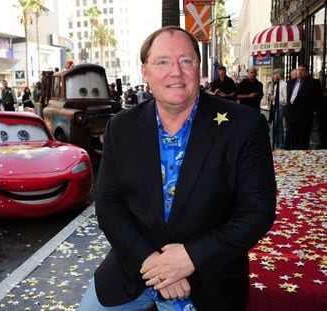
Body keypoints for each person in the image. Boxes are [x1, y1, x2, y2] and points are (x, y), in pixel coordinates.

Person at [78, 26, 276, 311]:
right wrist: (153, 265)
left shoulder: (244, 126)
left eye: (186, 61)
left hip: (208, 274)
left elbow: (258, 211)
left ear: (199, 68)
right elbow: (109, 205)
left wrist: (189, 259)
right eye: (162, 62)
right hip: (134, 268)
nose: (176, 72)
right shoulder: (121, 127)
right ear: (145, 72)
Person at [286, 63, 323, 149]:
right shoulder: (291, 82)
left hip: (304, 115)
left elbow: (318, 99)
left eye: (302, 70)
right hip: (292, 115)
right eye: (299, 70)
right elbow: (289, 97)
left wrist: (312, 111)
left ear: (306, 72)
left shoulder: (313, 83)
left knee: (302, 138)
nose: (300, 72)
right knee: (291, 137)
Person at [268, 68, 288, 149]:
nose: (273, 76)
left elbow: (285, 100)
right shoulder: (276, 85)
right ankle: (280, 144)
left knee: (274, 126)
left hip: (281, 107)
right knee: (278, 127)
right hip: (276, 107)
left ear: (278, 75)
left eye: (274, 74)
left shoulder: (284, 85)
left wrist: (275, 98)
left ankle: (280, 144)